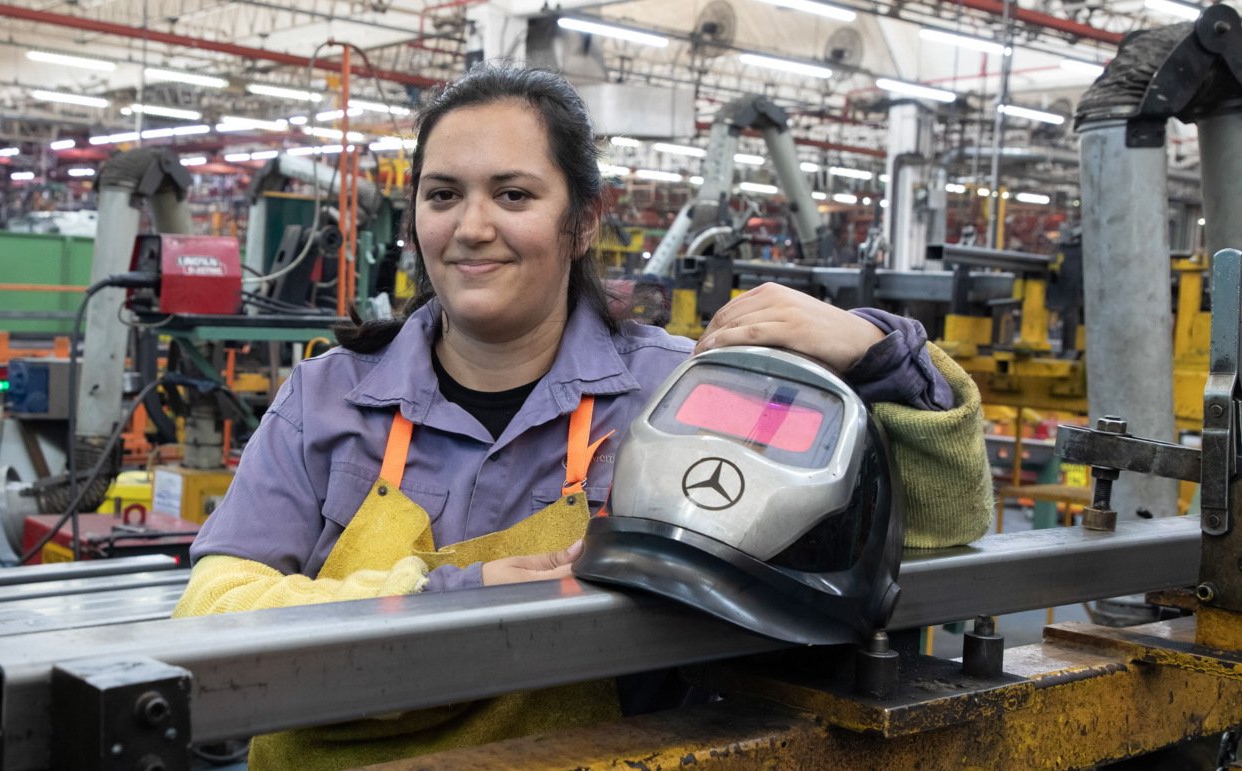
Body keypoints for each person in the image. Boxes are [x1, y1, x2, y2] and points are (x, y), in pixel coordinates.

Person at [173, 63, 993, 770]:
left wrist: (882, 354)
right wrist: (453, 593)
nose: (472, 227)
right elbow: (214, 612)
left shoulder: (680, 392)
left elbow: (933, 526)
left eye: (514, 194)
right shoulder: (326, 397)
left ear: (584, 220)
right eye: (443, 194)